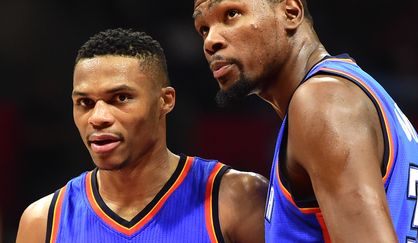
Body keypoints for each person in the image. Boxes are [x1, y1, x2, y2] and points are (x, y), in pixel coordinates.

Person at [192, 0, 418, 242]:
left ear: (291, 12)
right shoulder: (352, 90)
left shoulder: (321, 102)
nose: (211, 41)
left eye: (231, 14)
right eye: (203, 29)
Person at [16, 28, 268, 243]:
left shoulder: (237, 199)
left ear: (165, 101)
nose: (98, 117)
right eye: (85, 102)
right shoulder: (42, 222)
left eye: (121, 98)